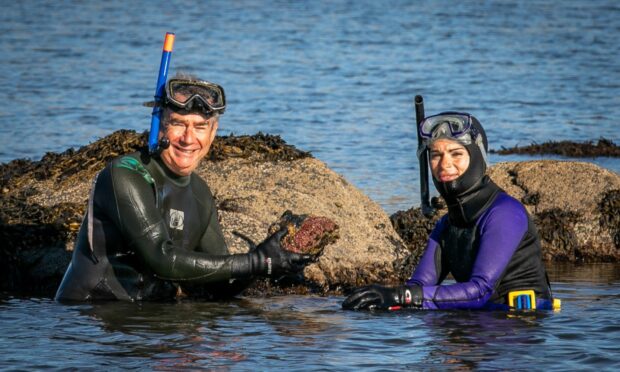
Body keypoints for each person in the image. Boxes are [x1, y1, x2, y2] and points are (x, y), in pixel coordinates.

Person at [55, 76, 312, 301]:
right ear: (159, 126)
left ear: (213, 133)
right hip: (92, 325)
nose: (189, 139)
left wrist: (274, 260)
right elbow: (162, 259)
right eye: (178, 123)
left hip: (150, 327)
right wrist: (256, 262)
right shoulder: (124, 174)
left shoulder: (200, 193)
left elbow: (220, 285)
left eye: (200, 127)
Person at [343, 112, 555, 311]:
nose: (444, 164)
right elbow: (419, 285)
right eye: (436, 155)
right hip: (475, 328)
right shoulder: (447, 224)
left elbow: (479, 291)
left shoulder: (505, 214)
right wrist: (381, 297)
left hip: (515, 333)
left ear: (477, 157)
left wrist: (402, 296)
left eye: (456, 154)